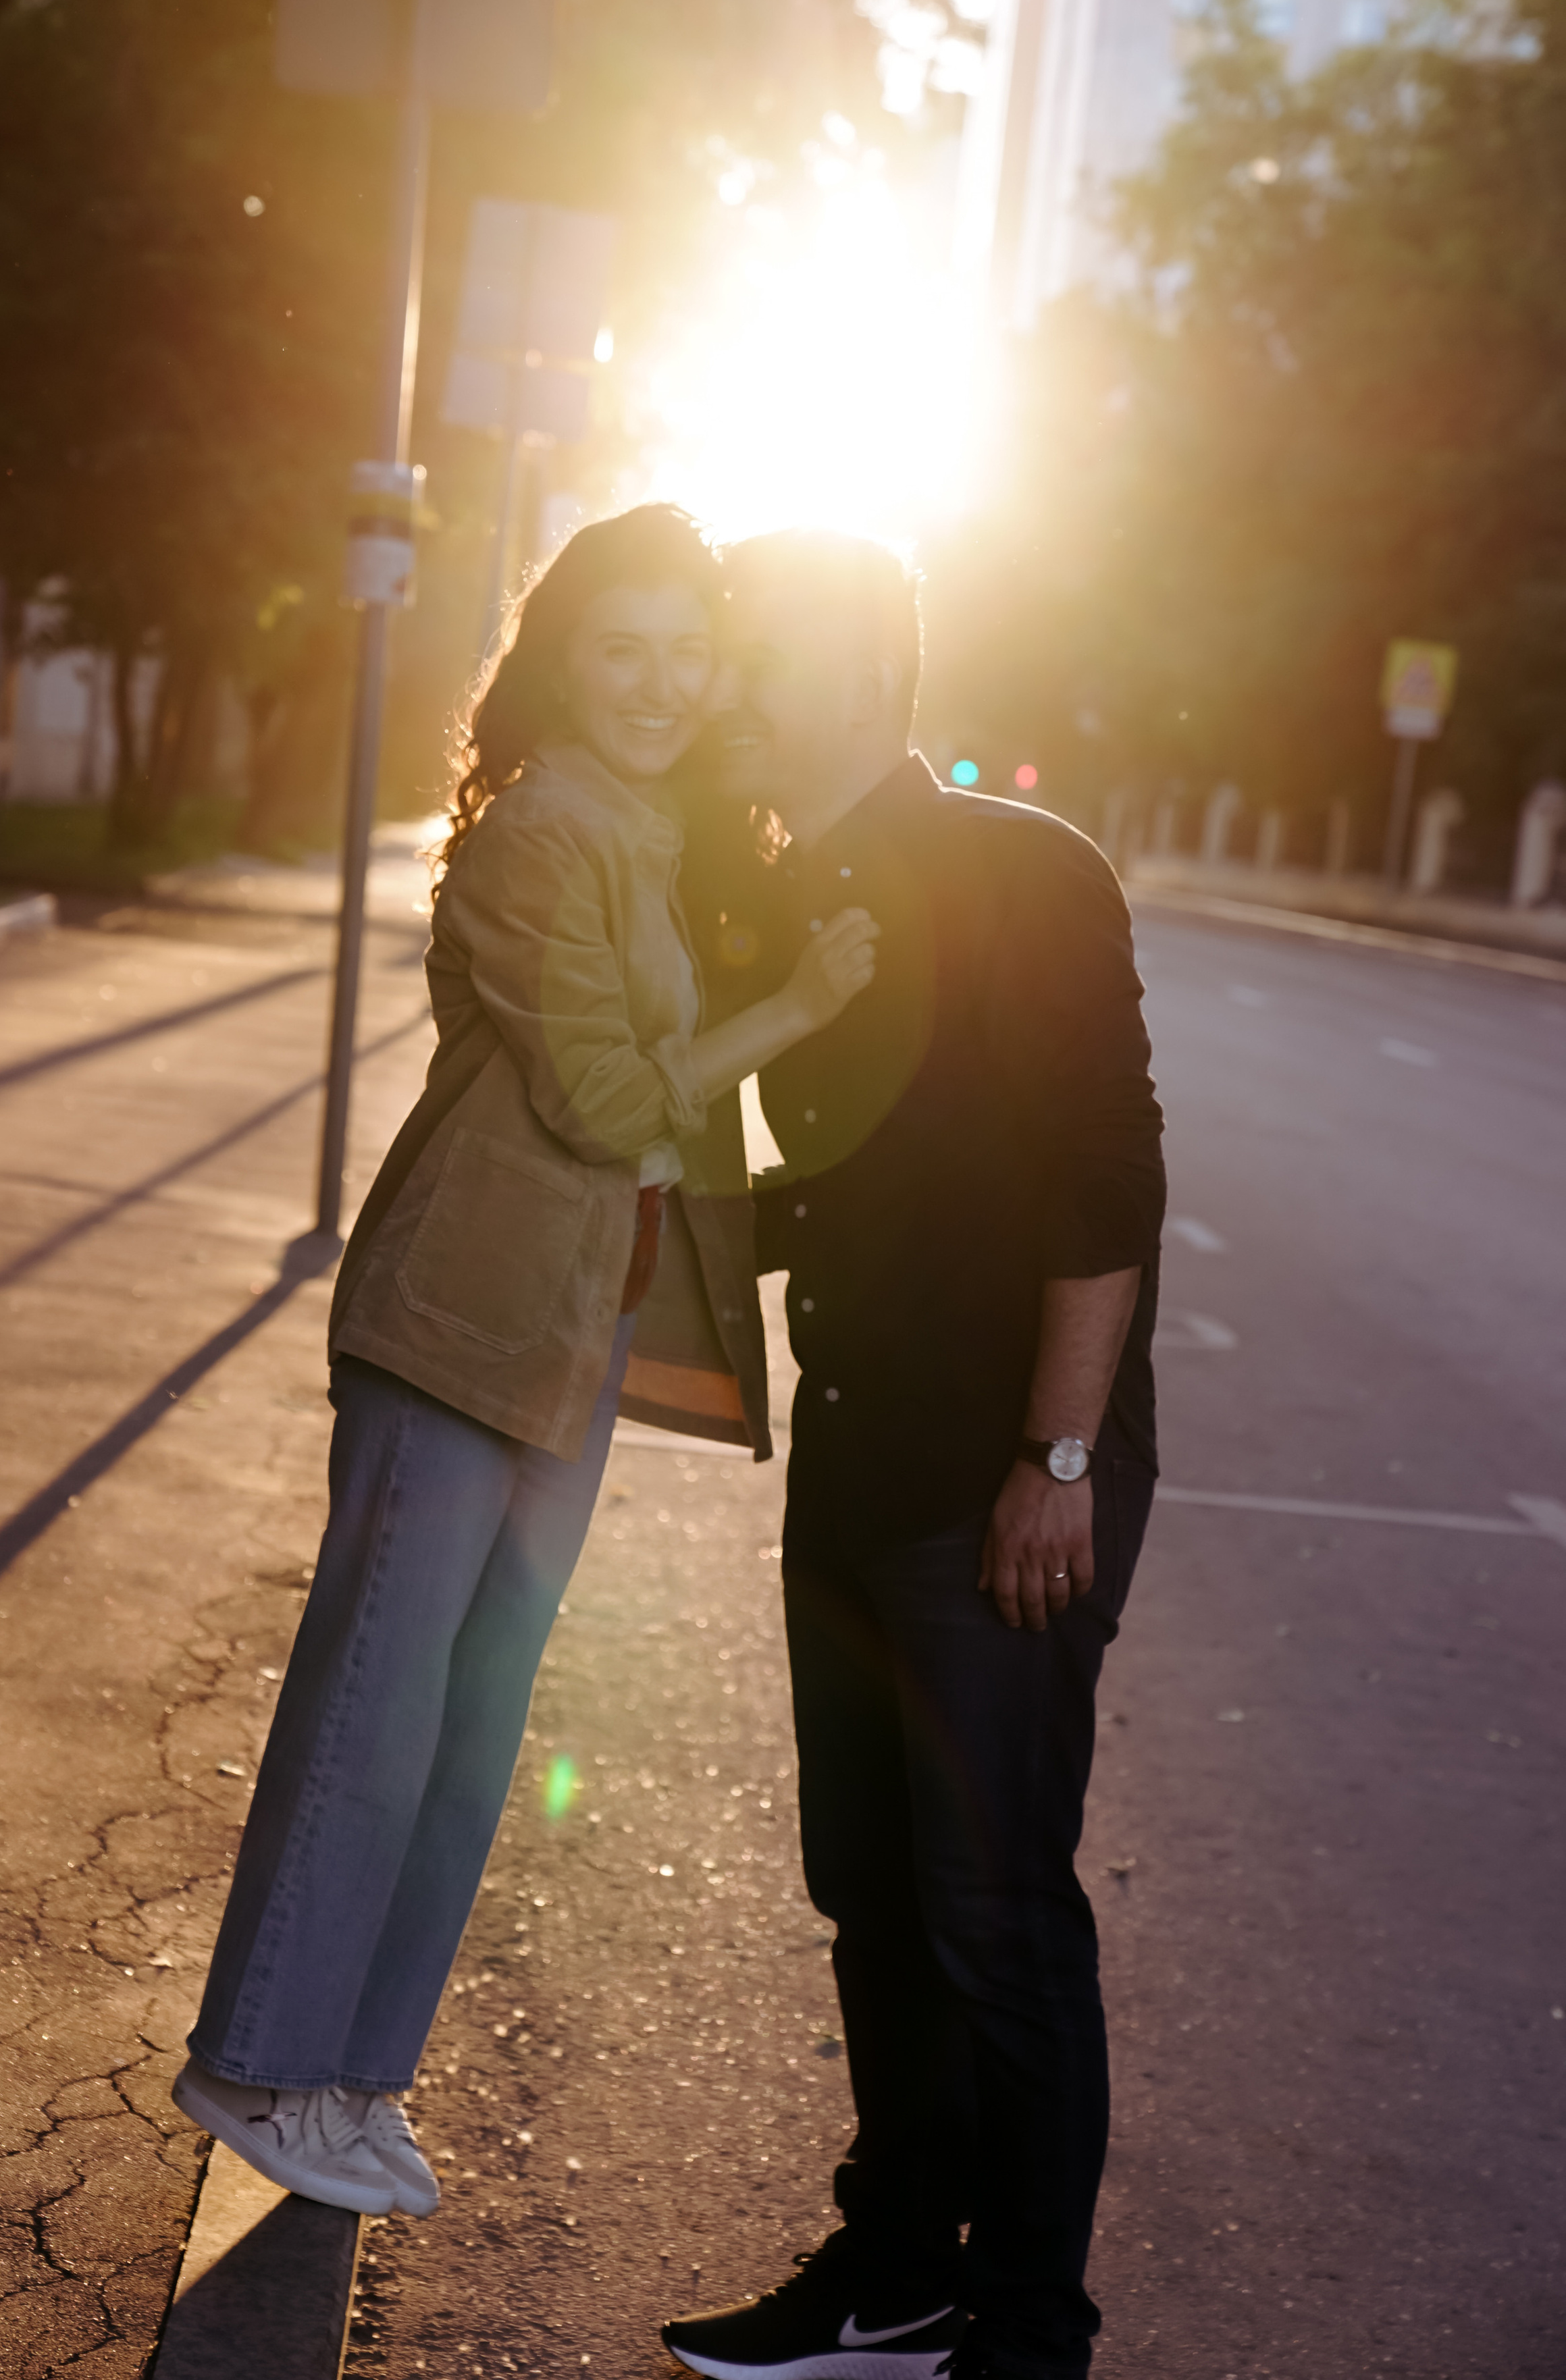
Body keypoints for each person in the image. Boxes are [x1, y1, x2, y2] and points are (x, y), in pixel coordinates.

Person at [174, 506, 877, 2217]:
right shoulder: (543, 839)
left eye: (682, 652)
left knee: (474, 1728)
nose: (653, 684)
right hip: (455, 1322)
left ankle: (351, 2076)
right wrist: (791, 1015)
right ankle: (255, 2063)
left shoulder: (656, 832)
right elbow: (611, 1106)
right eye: (617, 649)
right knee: (376, 1709)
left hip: (571, 1329)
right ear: (562, 659)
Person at [661, 532, 1166, 2380]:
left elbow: (1106, 1169)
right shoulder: (793, 888)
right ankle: (895, 2268)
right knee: (867, 1882)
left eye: (760, 654)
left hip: (998, 1471)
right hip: (857, 1452)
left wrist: (1061, 1451)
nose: (732, 690)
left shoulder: (1025, 872)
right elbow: (851, 1174)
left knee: (993, 1900)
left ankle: (1031, 2321)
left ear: (875, 667)